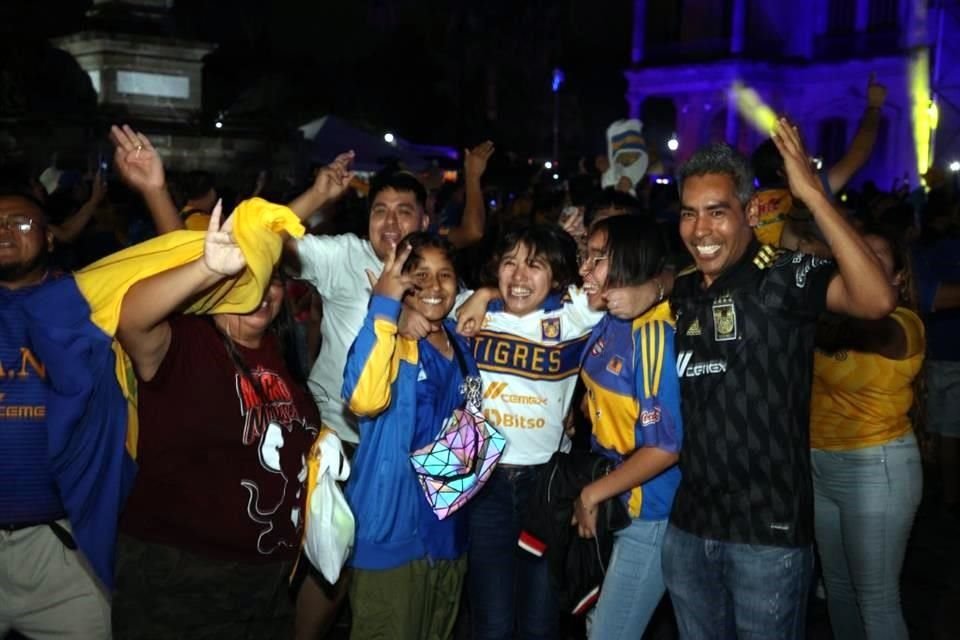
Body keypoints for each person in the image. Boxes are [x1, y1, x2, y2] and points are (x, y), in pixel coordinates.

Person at [661, 120, 896, 639]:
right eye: (690, 214)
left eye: (717, 213)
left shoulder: (785, 275)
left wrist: (812, 194)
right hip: (689, 528)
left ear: (748, 213)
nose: (701, 230)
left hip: (766, 536)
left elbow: (877, 300)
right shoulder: (680, 292)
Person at [112, 203, 320, 638]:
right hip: (183, 578)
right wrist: (208, 266)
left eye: (272, 278)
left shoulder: (283, 351)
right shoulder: (186, 342)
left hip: (267, 580)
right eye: (244, 277)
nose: (261, 290)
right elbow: (130, 317)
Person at [455, 224, 664, 639]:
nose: (518, 277)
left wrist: (655, 286)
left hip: (547, 487)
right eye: (510, 263)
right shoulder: (467, 310)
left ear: (555, 277)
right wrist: (481, 294)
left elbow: (656, 280)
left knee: (541, 622)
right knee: (491, 622)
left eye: (534, 266)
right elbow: (426, 299)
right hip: (483, 481)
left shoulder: (573, 315)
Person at [341, 232, 472, 640]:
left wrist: (484, 294)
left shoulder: (461, 339)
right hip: (394, 534)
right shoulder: (388, 339)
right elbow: (362, 399)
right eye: (421, 275)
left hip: (449, 532)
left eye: (445, 274)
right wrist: (385, 308)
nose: (434, 286)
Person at [0, 188, 112, 639]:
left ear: (50, 237)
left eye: (21, 223)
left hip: (63, 549)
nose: (5, 233)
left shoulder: (89, 302)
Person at [810, 225, 925, 640]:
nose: (864, 265)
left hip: (877, 466)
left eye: (877, 260)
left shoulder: (903, 324)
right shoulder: (828, 317)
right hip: (820, 464)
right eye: (857, 255)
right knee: (838, 591)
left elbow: (872, 321)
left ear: (898, 279)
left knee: (876, 598)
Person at [573, 214, 682, 639]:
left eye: (598, 259)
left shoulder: (653, 334)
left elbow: (665, 447)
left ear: (629, 262)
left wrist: (592, 492)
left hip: (648, 512)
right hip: (619, 498)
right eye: (587, 256)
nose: (584, 268)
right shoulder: (609, 319)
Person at [751, 73, 887, 246]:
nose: (808, 161)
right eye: (799, 158)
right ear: (783, 171)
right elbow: (856, 157)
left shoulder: (746, 205)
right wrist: (874, 107)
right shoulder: (812, 190)